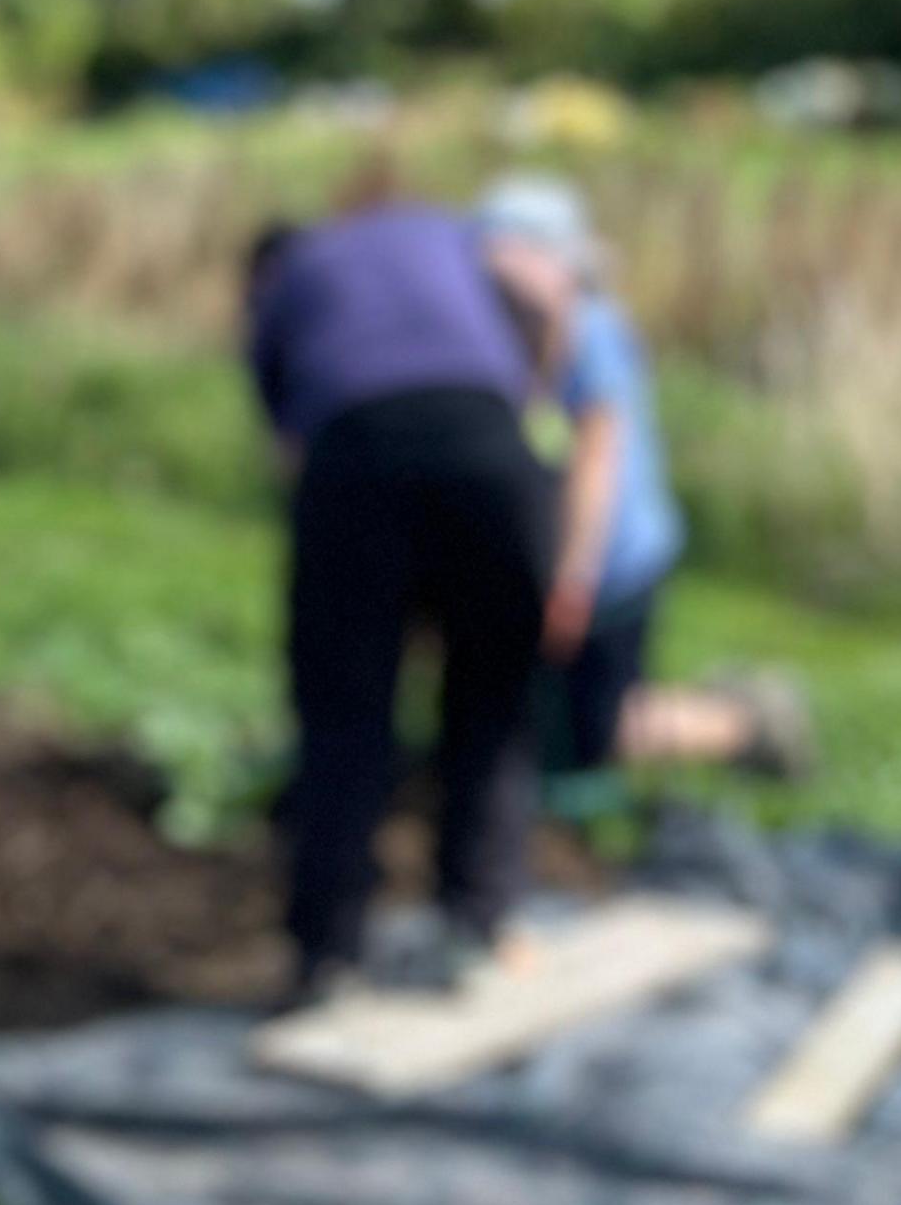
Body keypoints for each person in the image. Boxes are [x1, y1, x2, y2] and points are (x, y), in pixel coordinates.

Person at [243, 199, 557, 1004]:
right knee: (490, 700)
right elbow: (539, 301)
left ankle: (327, 957)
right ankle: (476, 923)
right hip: (495, 455)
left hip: (357, 465)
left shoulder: (290, 276)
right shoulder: (445, 234)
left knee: (345, 718)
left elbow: (285, 436)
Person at [473, 176, 813, 800]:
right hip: (555, 561)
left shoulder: (594, 334)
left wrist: (572, 579)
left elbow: (598, 465)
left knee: (598, 730)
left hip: (612, 566)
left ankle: (746, 721)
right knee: (532, 714)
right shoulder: (505, 333)